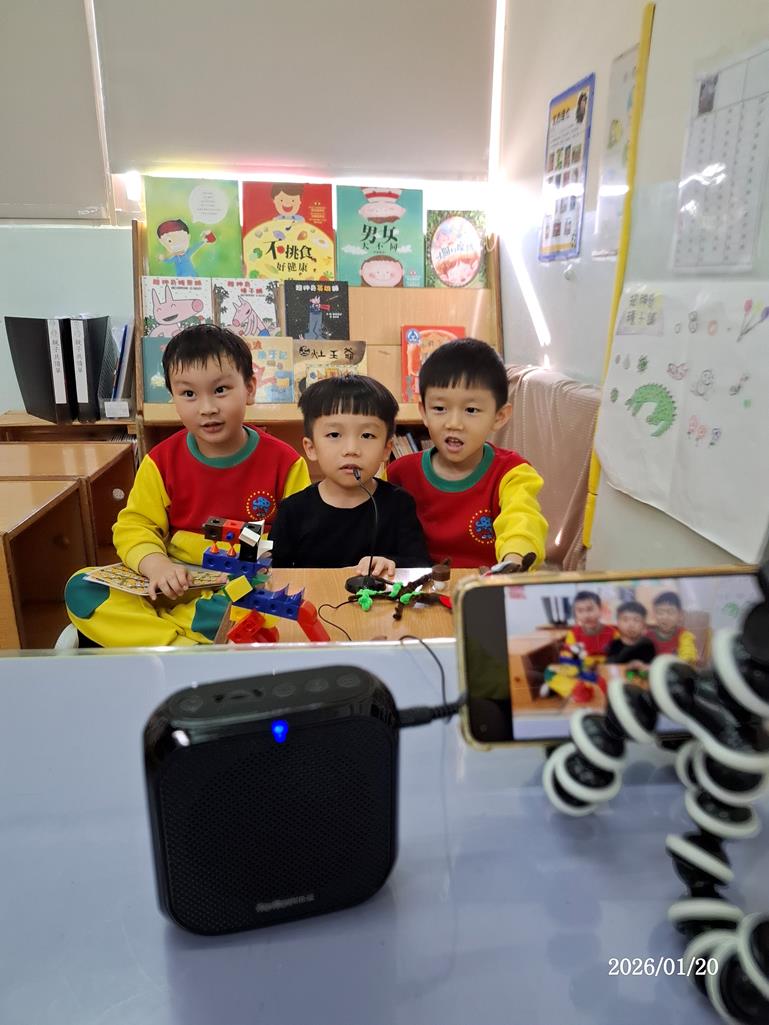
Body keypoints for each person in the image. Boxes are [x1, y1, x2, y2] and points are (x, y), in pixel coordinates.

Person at [64, 325, 310, 646]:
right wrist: (156, 565)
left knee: (261, 605)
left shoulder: (286, 462)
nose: (207, 408)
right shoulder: (160, 461)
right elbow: (135, 527)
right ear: (173, 398)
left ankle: (166, 635)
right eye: (189, 394)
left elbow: (300, 543)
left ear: (249, 388)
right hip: (173, 581)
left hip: (242, 586)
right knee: (82, 587)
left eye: (220, 390)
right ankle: (181, 643)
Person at [387, 338, 548, 568]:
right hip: (416, 586)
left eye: (471, 410)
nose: (454, 423)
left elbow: (523, 522)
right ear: (423, 412)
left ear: (499, 416)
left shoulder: (512, 473)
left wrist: (513, 561)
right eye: (439, 408)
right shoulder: (399, 474)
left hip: (486, 584)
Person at [269, 375, 430, 575]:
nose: (351, 449)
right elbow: (273, 572)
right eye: (334, 435)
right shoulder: (293, 510)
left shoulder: (399, 504)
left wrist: (392, 563)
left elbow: (420, 565)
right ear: (311, 448)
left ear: (386, 449)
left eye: (367, 435)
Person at [564, 590, 618, 659]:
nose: (586, 615)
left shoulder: (613, 633)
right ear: (575, 614)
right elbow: (567, 660)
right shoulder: (573, 634)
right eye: (580, 611)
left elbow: (619, 659)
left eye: (590, 609)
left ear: (600, 609)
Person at [647, 591, 698, 663]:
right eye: (660, 612)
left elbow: (688, 656)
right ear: (654, 615)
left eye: (670, 612)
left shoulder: (684, 635)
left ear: (680, 615)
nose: (665, 617)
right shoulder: (648, 636)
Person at [604, 600, 656, 667]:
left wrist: (642, 666)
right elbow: (610, 667)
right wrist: (626, 666)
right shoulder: (614, 645)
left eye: (636, 620)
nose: (631, 625)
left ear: (644, 624)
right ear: (618, 623)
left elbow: (652, 667)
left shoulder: (647, 644)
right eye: (625, 620)